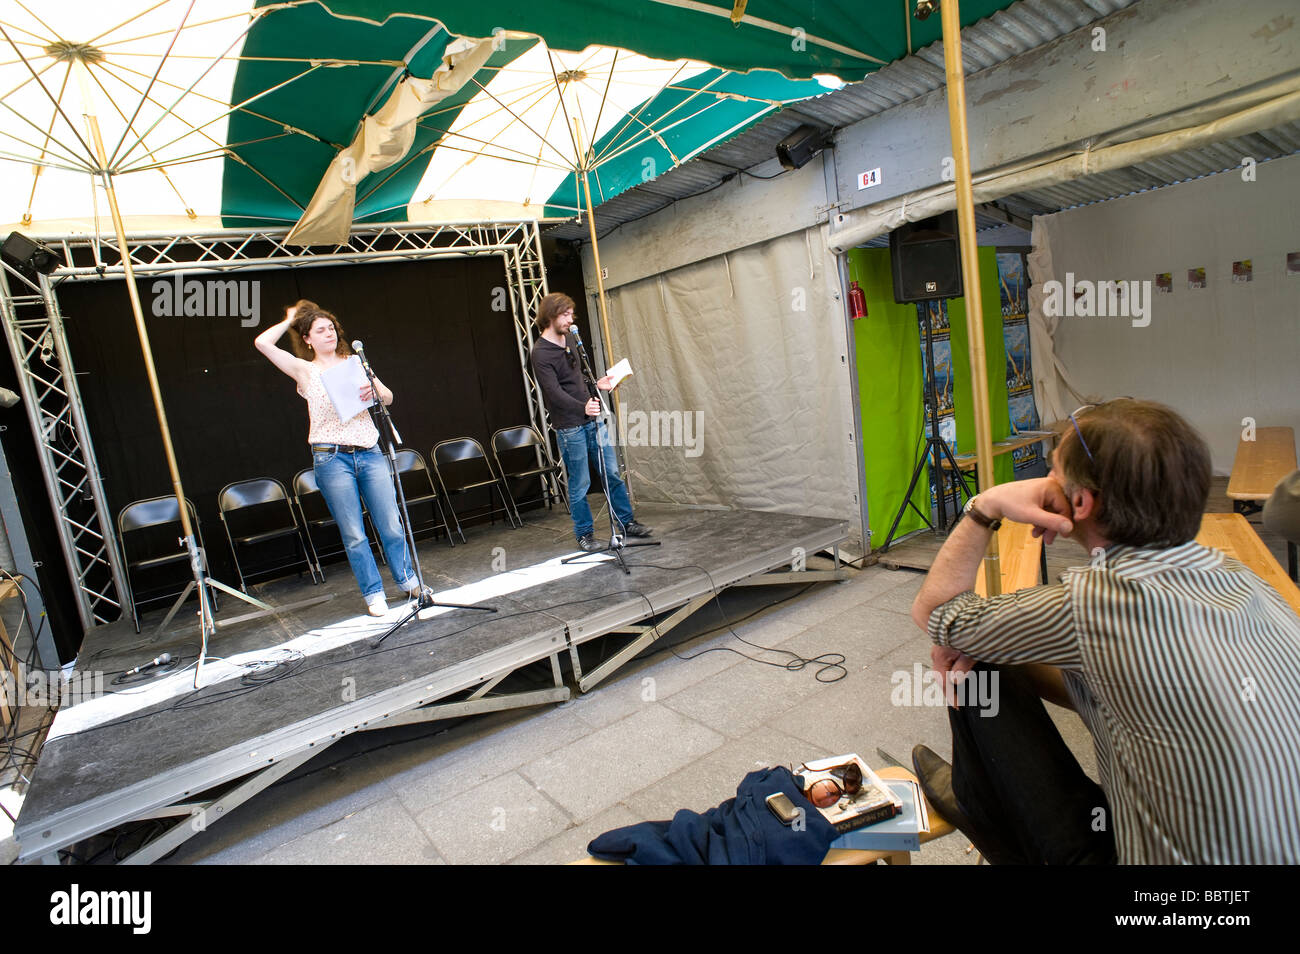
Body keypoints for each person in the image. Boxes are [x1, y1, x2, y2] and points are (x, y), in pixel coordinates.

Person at [908, 398, 1300, 864]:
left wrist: (984, 506)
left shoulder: (1097, 602)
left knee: (977, 663)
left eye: (1052, 472)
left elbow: (935, 613)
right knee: (989, 650)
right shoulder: (1245, 579)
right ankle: (981, 800)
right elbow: (1123, 696)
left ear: (1080, 501)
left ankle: (983, 810)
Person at [255, 301, 418, 616]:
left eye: (331, 328)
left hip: (369, 451)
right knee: (354, 532)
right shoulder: (305, 370)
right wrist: (289, 318)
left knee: (391, 523)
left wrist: (376, 393)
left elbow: (388, 396)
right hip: (332, 458)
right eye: (320, 330)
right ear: (307, 339)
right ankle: (373, 593)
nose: (328, 333)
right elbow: (262, 343)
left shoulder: (354, 362)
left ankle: (407, 580)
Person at [529, 292, 651, 551]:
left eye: (571, 314)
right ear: (550, 316)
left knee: (611, 473)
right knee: (581, 482)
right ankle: (584, 534)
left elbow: (576, 379)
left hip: (593, 418)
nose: (570, 319)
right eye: (565, 315)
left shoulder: (572, 338)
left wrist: (597, 384)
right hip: (569, 425)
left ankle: (626, 523)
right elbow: (554, 393)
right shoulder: (540, 353)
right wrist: (581, 405)